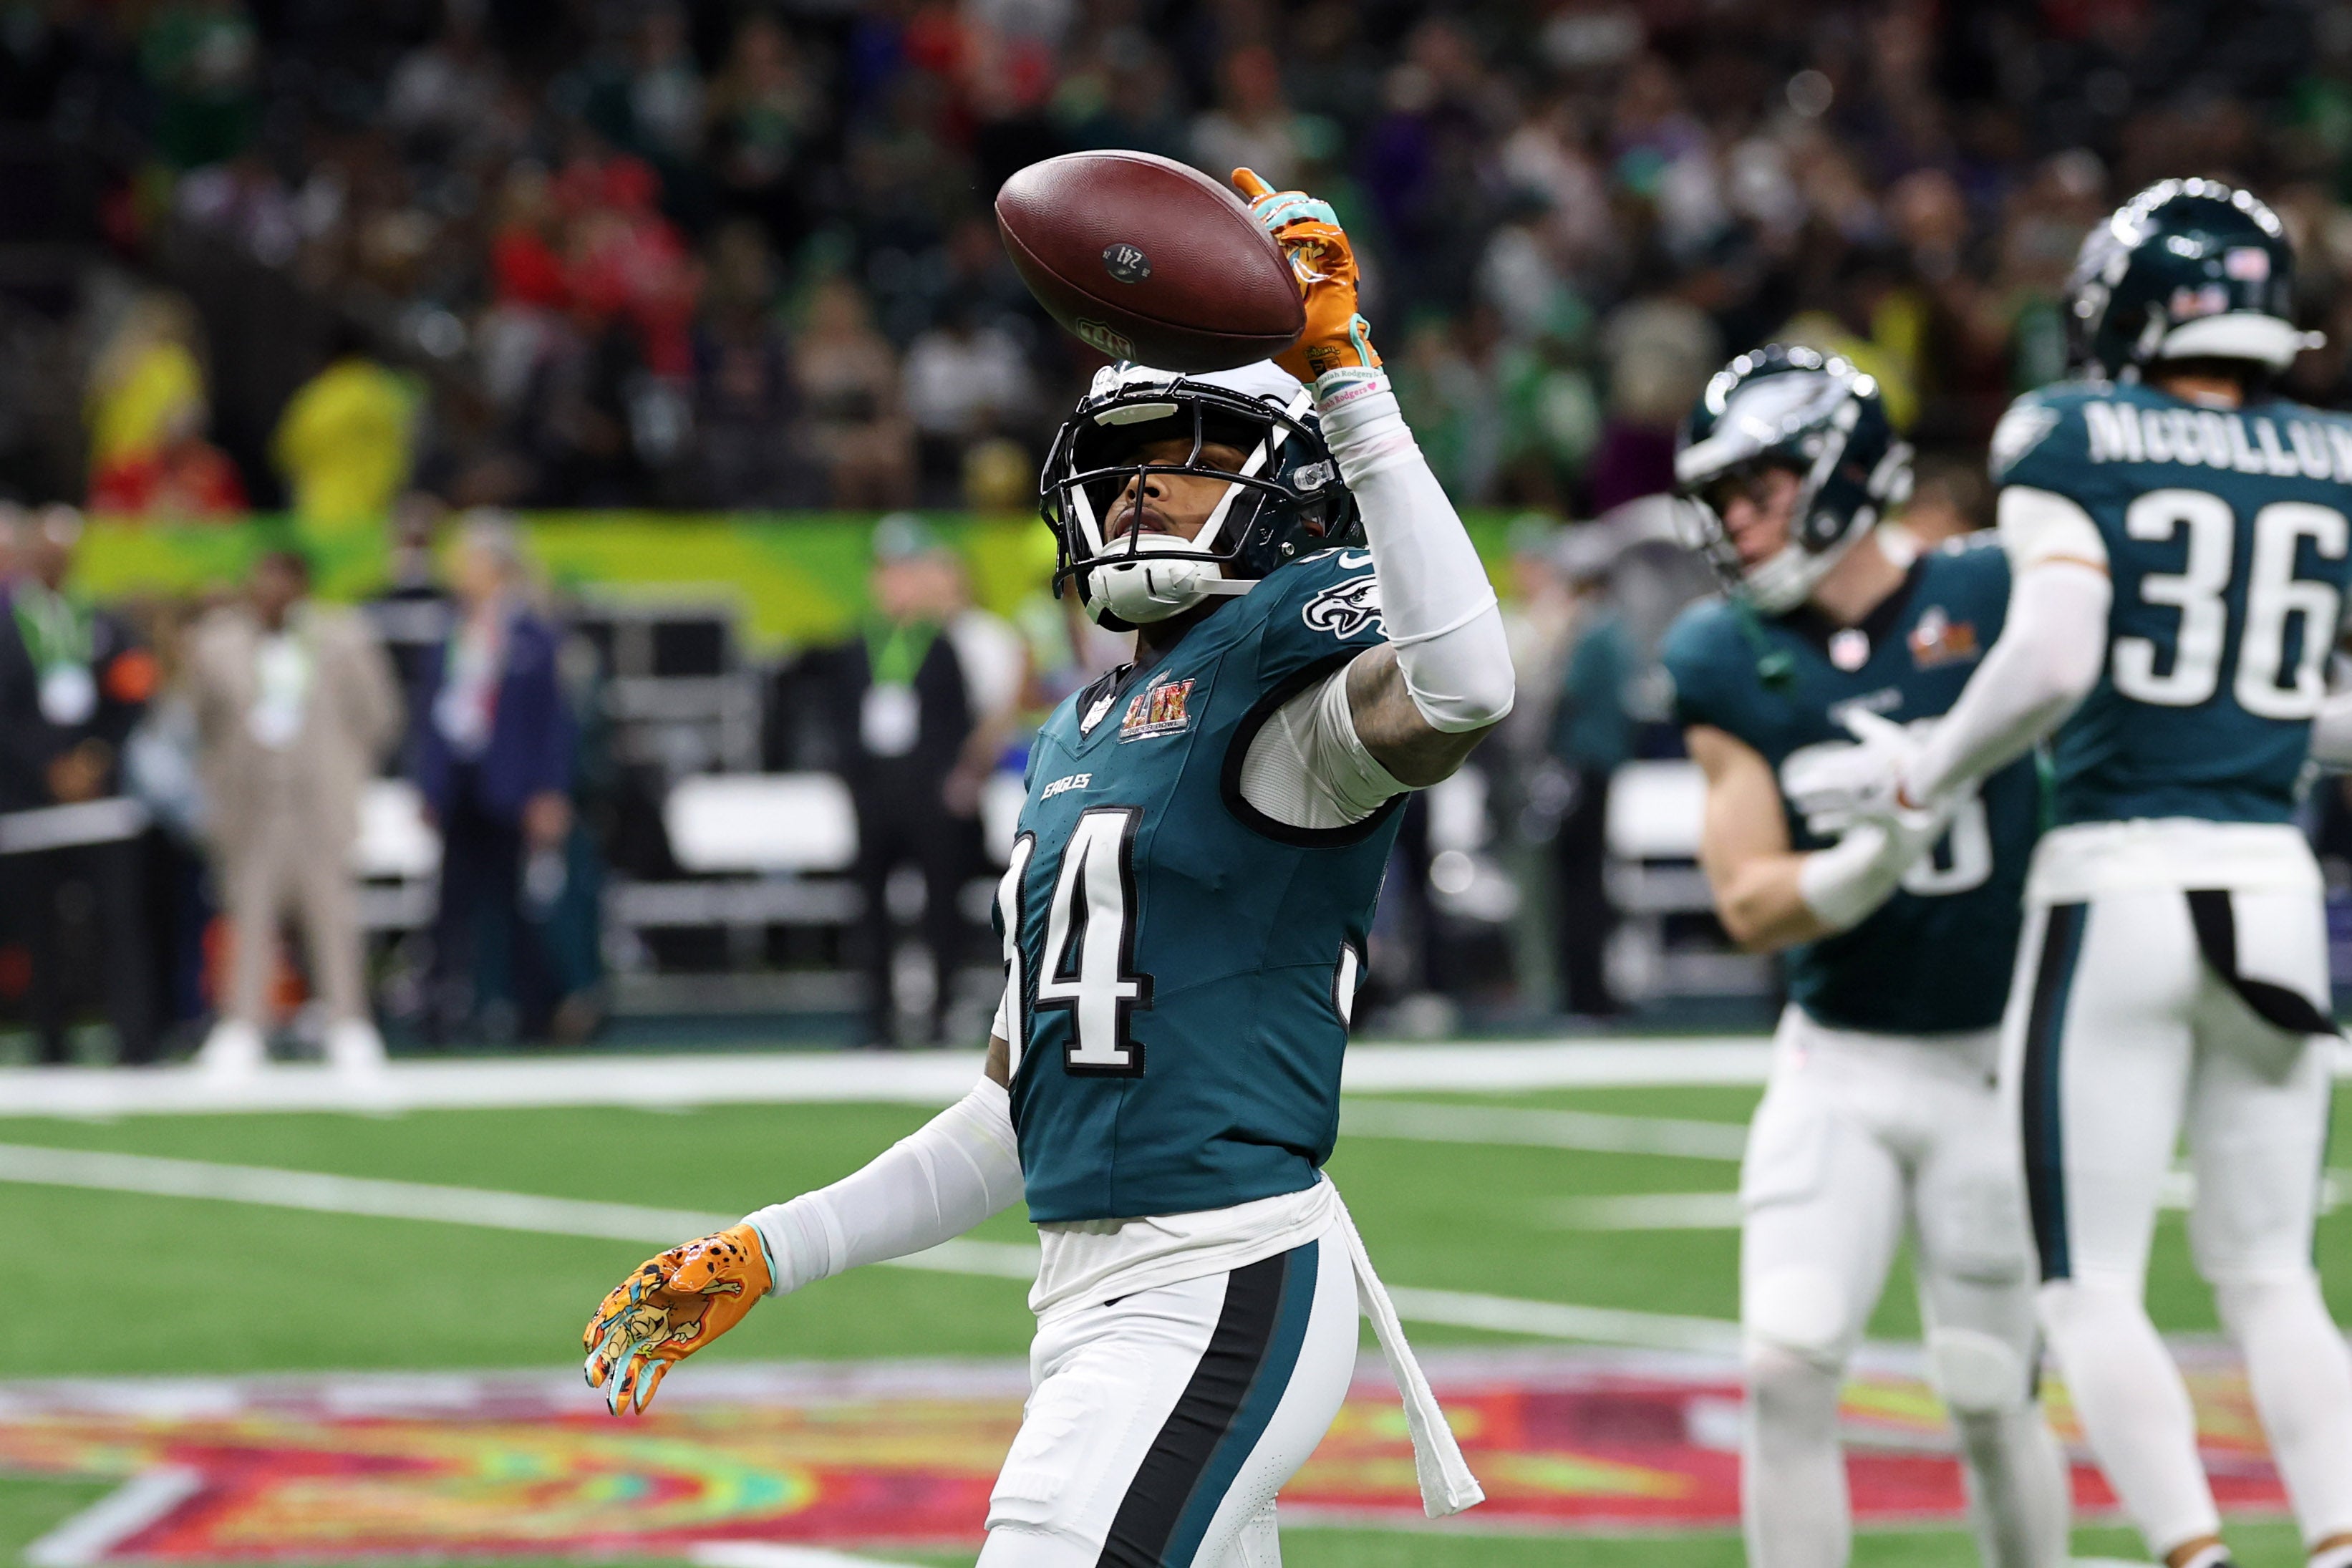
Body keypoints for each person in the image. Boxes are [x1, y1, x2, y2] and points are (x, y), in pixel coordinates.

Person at [582, 169, 1510, 1563]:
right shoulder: (1083, 729)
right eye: (1121, 450)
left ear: (1282, 483)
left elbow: (1462, 685)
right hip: (1085, 1294)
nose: (1136, 480)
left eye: (1183, 448)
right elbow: (1019, 1106)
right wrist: (774, 1248)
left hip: (1218, 1268)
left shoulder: (1285, 670)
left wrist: (1350, 386)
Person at [1799, 180, 2352, 1568]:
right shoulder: (2329, 450)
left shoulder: (2071, 429)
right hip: (2275, 886)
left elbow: (2052, 655)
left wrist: (1922, 773)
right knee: (2273, 1274)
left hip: (2117, 880)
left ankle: (2191, 1553)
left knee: (2088, 1286)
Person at [1661, 346, 2068, 1568]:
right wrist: (1865, 867)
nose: (1735, 521)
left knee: (1993, 1390)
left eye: (1759, 487)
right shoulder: (1723, 651)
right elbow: (1748, 901)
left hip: (1992, 1063)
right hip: (1836, 1055)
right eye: (1721, 496)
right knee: (1785, 1364)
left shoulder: (1999, 592)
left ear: (1835, 470)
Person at [186, 548, 402, 1075]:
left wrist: (343, 767)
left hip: (319, 800)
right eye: (262, 581)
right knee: (249, 913)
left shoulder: (343, 637)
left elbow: (380, 715)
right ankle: (242, 1025)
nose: (271, 593)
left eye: (282, 581)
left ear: (303, 586)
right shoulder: (217, 644)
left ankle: (348, 1023)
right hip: (251, 802)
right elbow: (201, 723)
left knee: (333, 914)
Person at [818, 513, 1014, 1047]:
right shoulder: (858, 645)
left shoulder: (941, 644)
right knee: (872, 907)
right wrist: (853, 780)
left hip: (927, 791)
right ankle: (875, 1018)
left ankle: (939, 1012)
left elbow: (958, 718)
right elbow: (839, 717)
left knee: (940, 905)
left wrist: (952, 777)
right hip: (876, 790)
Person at [0, 506, 160, 1064]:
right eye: (43, 550)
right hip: (28, 799)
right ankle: (50, 1045)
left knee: (118, 920)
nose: (53, 560)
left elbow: (134, 692)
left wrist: (94, 757)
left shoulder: (103, 618)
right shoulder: (8, 622)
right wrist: (47, 765)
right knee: (36, 926)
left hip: (101, 796)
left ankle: (134, 1042)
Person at [411, 514, 576, 1042]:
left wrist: (549, 790)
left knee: (514, 902)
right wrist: (430, 785)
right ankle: (441, 1008)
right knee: (450, 902)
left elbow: (551, 722)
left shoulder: (533, 636)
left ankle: (539, 1006)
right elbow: (433, 717)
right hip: (462, 779)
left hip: (511, 785)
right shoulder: (452, 632)